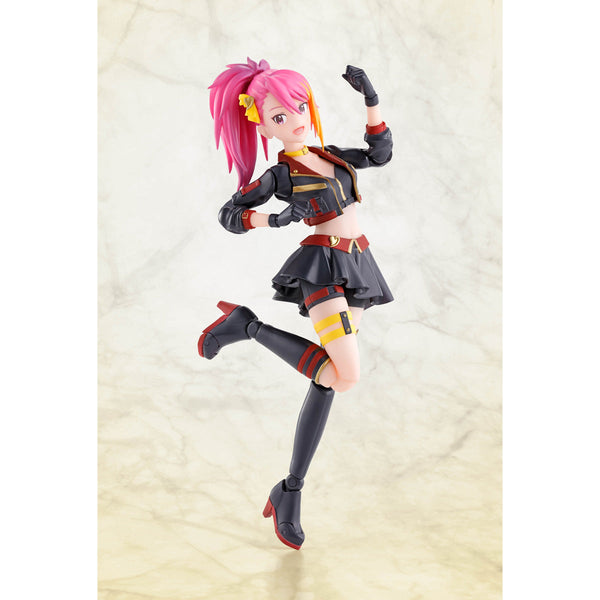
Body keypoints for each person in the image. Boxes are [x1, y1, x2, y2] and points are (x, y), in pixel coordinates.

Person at [198, 58, 393, 549]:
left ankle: (290, 490)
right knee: (345, 376)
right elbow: (230, 214)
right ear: (263, 126)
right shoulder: (280, 174)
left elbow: (380, 154)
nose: (295, 119)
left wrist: (370, 99)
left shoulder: (331, 155)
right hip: (321, 266)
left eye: (299, 107)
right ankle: (249, 327)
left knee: (329, 377)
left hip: (357, 263)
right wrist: (276, 220)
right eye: (279, 116)